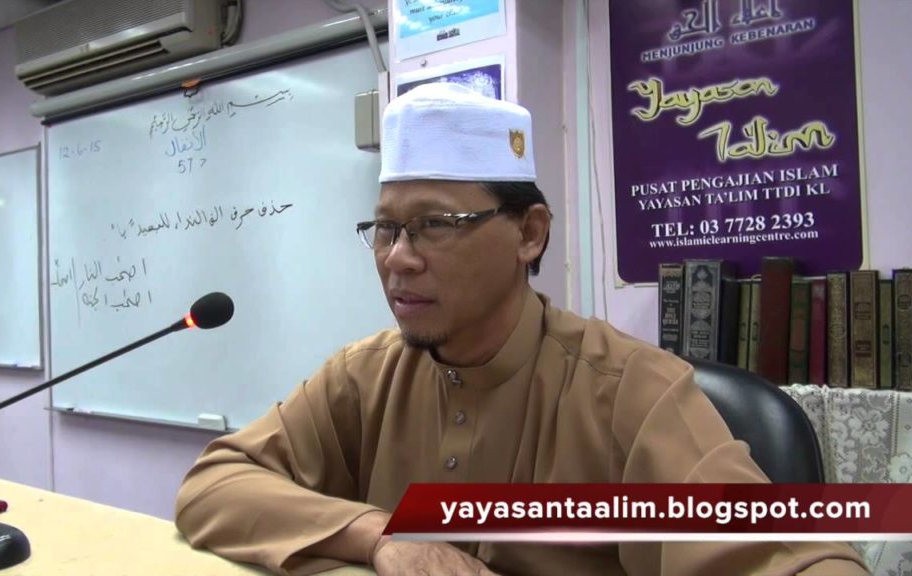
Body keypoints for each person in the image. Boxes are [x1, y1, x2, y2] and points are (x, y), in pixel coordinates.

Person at [175, 82, 867, 575]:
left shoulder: (629, 393)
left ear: (529, 234)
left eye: (434, 224)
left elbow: (800, 559)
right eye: (385, 228)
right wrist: (381, 535)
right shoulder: (365, 376)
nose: (397, 258)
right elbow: (213, 486)